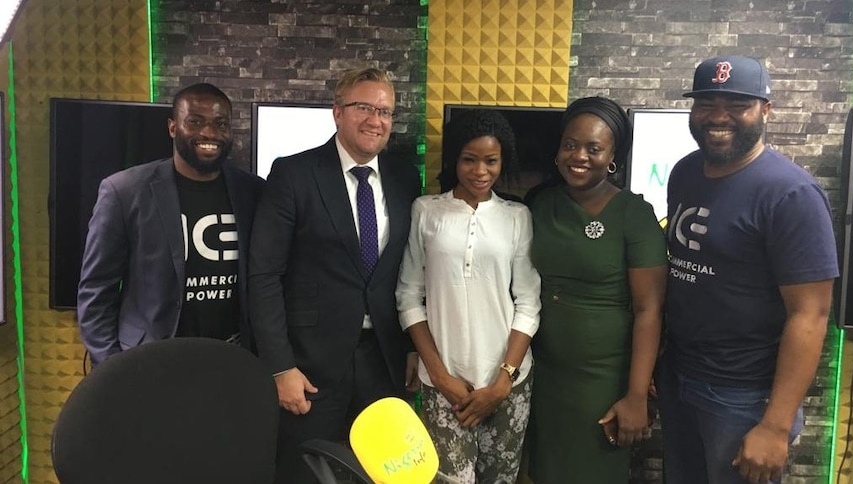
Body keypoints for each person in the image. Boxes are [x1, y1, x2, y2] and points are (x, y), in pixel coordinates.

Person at [658, 55, 840, 484]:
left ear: (765, 110)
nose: (718, 116)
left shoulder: (791, 194)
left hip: (743, 396)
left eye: (737, 103)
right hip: (680, 376)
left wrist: (775, 426)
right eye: (706, 102)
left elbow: (810, 314)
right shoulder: (685, 172)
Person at [247, 67, 422, 483]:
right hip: (310, 366)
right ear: (337, 112)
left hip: (383, 360)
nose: (375, 120)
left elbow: (409, 271)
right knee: (303, 472)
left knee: (379, 473)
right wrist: (279, 367)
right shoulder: (294, 173)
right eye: (364, 107)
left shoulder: (403, 177)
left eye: (385, 111)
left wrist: (412, 347)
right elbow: (264, 274)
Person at [396, 109, 541, 483]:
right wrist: (441, 377)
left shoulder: (517, 216)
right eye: (469, 159)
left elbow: (527, 302)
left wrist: (503, 381)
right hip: (445, 386)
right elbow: (410, 296)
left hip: (507, 385)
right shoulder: (426, 211)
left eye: (491, 161)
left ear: (502, 161)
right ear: (454, 160)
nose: (480, 171)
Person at [527, 96, 667, 483]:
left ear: (613, 156)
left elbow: (649, 310)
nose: (579, 156)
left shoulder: (634, 214)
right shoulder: (540, 205)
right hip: (541, 375)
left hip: (601, 381)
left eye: (594, 148)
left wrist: (637, 395)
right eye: (570, 144)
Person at [77, 83, 265, 366]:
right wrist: (113, 367)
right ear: (173, 127)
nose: (209, 133)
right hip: (150, 362)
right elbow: (96, 290)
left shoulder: (253, 192)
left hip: (232, 360)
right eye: (195, 122)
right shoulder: (125, 191)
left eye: (220, 123)